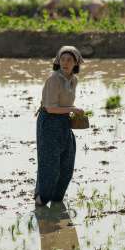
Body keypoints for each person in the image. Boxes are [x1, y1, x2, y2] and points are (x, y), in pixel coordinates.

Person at [35, 46, 85, 206]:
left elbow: (65, 104)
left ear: (76, 63)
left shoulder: (74, 80)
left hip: (64, 122)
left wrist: (73, 112)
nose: (65, 62)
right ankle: (41, 201)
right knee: (50, 165)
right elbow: (50, 108)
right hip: (49, 121)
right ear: (58, 61)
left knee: (67, 165)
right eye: (62, 59)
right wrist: (73, 109)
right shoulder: (53, 79)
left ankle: (57, 200)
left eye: (69, 60)